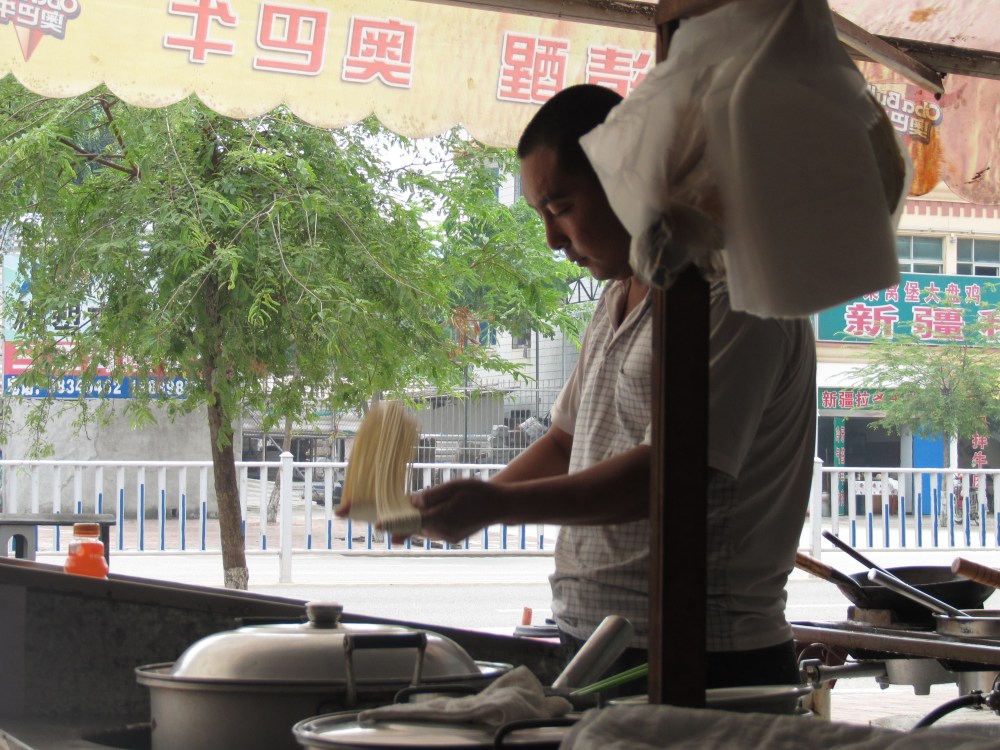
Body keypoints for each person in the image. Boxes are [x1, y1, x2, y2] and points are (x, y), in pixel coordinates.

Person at [406, 84, 817, 689]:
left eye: (561, 207)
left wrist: (498, 505)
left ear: (630, 180)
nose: (551, 238)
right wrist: (461, 507)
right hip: (597, 638)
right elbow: (566, 440)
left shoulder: (735, 296)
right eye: (542, 215)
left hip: (703, 654)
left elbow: (670, 475)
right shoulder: (617, 295)